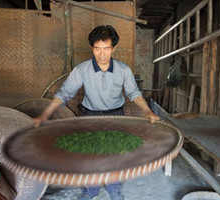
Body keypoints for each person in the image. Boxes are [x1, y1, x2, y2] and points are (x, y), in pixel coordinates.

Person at [33, 25, 160, 200]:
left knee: (114, 155)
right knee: (89, 155)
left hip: (115, 116)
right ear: (92, 48)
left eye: (106, 49)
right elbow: (64, 94)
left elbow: (134, 93)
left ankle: (114, 189)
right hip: (89, 117)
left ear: (113, 48)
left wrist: (148, 112)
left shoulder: (123, 70)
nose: (101, 54)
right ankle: (90, 190)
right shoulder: (82, 70)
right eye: (97, 49)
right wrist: (45, 114)